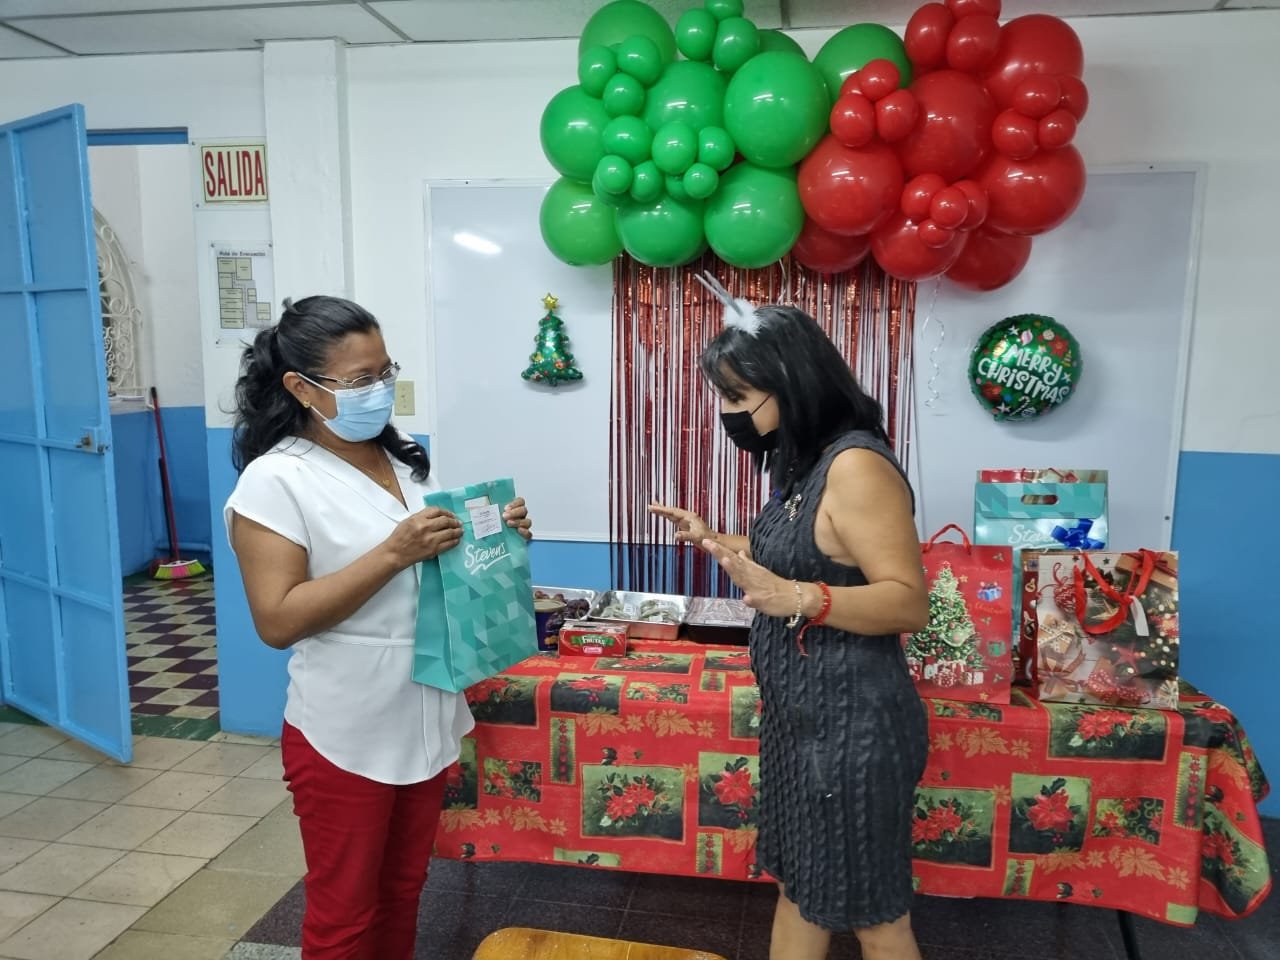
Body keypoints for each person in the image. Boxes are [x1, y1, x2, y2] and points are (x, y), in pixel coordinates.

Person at [224, 295, 532, 960]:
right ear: (302, 388)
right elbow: (277, 619)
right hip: (345, 728)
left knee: (402, 891)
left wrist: (496, 536)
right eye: (359, 379)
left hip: (425, 708)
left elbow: (440, 569)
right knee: (344, 914)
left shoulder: (406, 461)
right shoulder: (275, 482)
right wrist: (393, 553)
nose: (381, 389)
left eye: (385, 371)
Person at [651, 301, 930, 960]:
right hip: (800, 724)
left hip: (852, 730)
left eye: (738, 398)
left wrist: (799, 598)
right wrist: (715, 538)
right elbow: (798, 552)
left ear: (792, 384)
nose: (728, 414)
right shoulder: (806, 462)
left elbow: (906, 601)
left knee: (875, 918)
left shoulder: (856, 466)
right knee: (800, 887)